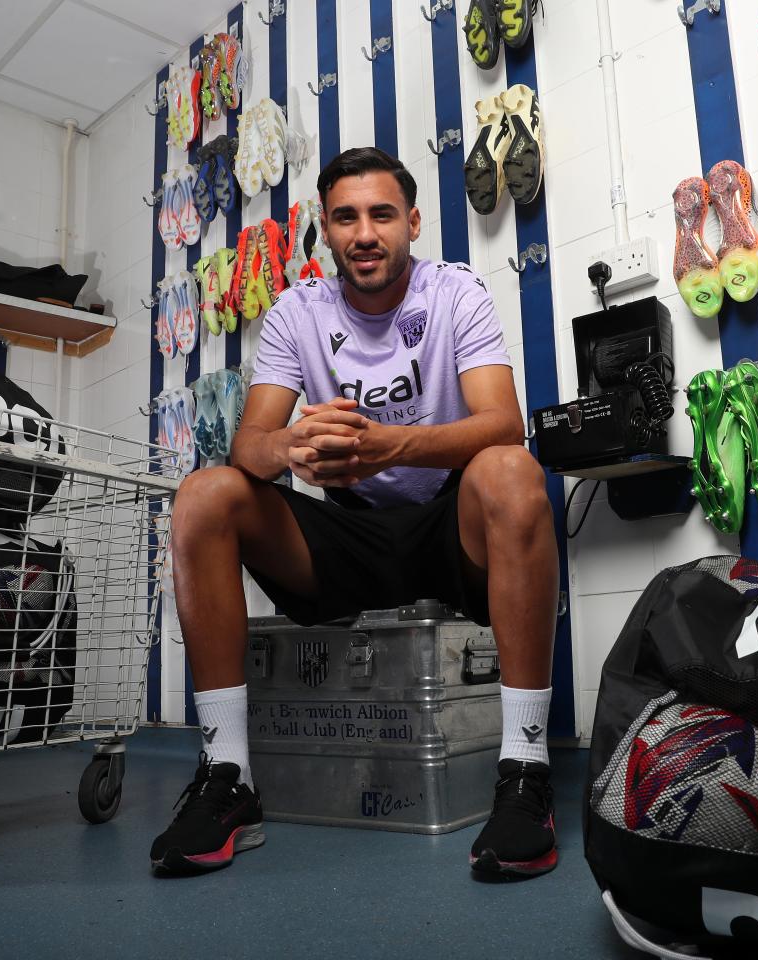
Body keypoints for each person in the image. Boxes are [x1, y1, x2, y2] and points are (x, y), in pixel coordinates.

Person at [150, 147, 561, 880]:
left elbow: (504, 423)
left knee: (510, 470)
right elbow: (249, 445)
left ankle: (526, 770)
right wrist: (292, 450)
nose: (364, 233)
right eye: (346, 217)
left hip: (446, 526)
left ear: (412, 222)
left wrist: (394, 444)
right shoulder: (295, 311)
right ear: (326, 230)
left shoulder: (456, 291)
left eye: (380, 215)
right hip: (344, 534)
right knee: (205, 493)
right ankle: (227, 778)